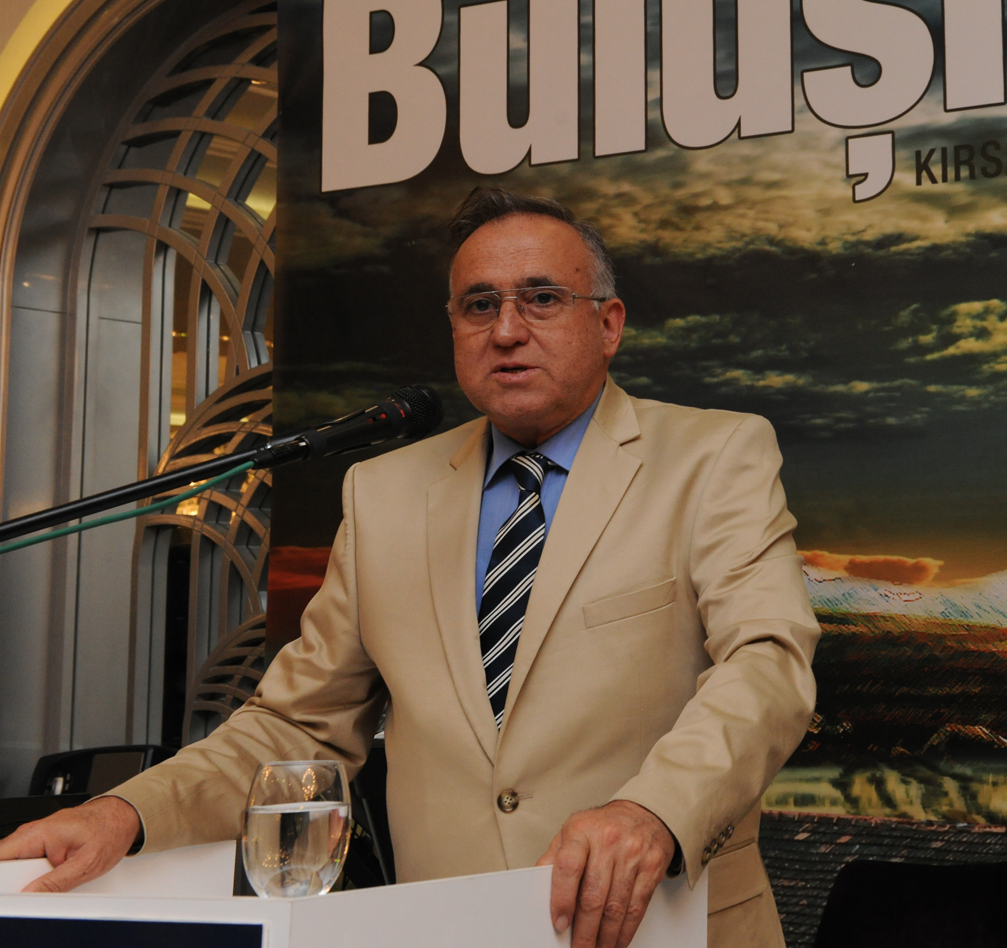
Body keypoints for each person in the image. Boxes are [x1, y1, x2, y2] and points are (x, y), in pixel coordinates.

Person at [0, 188, 819, 948]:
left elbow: (767, 662)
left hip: (666, 927)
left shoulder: (715, 455)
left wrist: (654, 810)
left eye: (541, 298)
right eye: (480, 304)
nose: (507, 329)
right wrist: (125, 813)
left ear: (608, 324)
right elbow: (298, 728)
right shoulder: (383, 493)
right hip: (449, 930)